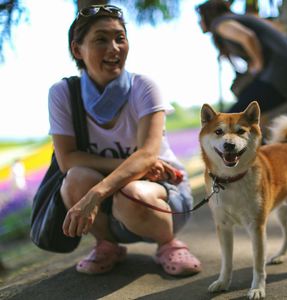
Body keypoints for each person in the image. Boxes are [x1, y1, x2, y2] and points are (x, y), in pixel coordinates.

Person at [46, 4, 201, 276]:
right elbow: (67, 159)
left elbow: (147, 155)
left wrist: (95, 194)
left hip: (163, 191)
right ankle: (107, 244)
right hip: (115, 202)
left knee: (132, 194)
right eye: (101, 40)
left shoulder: (144, 87)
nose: (114, 48)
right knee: (74, 178)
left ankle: (169, 244)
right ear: (76, 50)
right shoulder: (63, 94)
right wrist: (133, 165)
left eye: (120, 38)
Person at [195, 0, 287, 140]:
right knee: (243, 115)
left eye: (200, 19)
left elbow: (247, 37)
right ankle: (264, 153)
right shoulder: (241, 18)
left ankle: (257, 155)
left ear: (207, 16)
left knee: (231, 118)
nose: (199, 23)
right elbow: (278, 28)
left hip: (282, 70)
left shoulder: (220, 23)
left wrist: (257, 64)